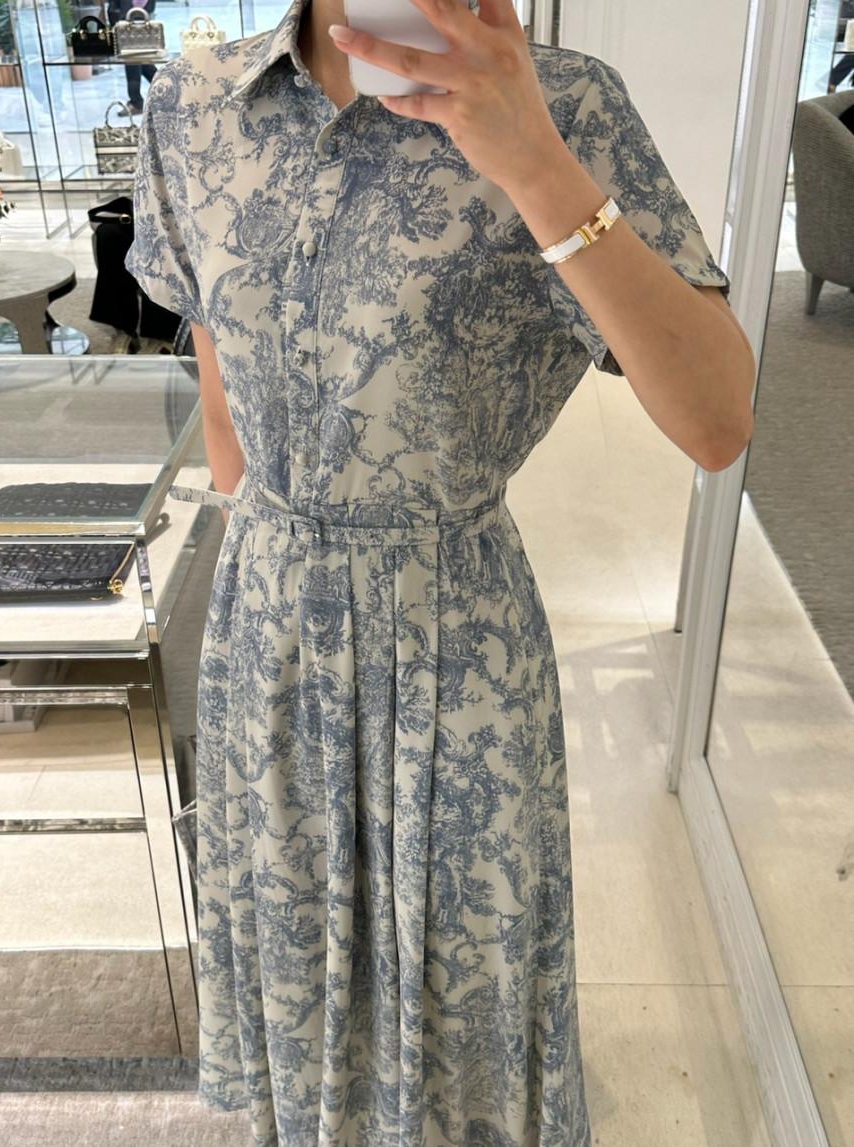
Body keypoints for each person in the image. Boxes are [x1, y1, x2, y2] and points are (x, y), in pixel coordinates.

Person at [124, 1, 755, 1142]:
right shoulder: (193, 105)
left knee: (457, 995)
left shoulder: (567, 104)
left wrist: (536, 164)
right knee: (300, 962)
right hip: (268, 631)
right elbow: (225, 415)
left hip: (452, 642)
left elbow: (717, 421)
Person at [101, 0, 158, 115]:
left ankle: (136, 101)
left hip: (133, 12)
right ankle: (170, 87)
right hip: (126, 11)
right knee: (138, 59)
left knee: (132, 56)